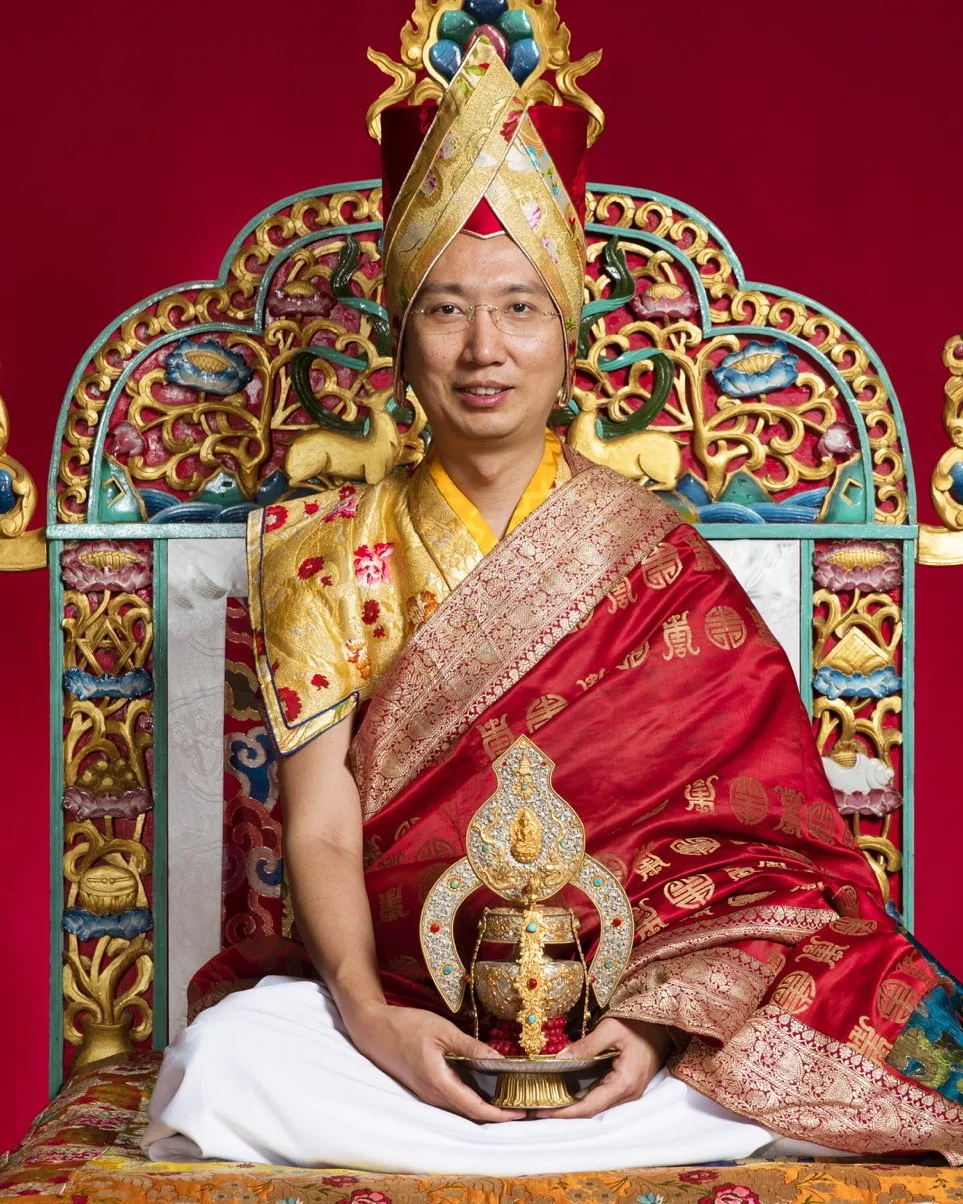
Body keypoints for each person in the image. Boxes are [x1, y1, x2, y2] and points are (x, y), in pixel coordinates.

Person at [143, 38, 963, 1171]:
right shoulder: (318, 548)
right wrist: (372, 1021)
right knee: (226, 1061)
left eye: (519, 307)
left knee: (797, 1041)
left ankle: (583, 1112)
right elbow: (321, 827)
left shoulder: (656, 555)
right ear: (400, 336)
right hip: (410, 998)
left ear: (567, 334)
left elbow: (766, 849)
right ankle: (534, 1124)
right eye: (446, 310)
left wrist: (656, 1026)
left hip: (634, 1010)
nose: (484, 350)